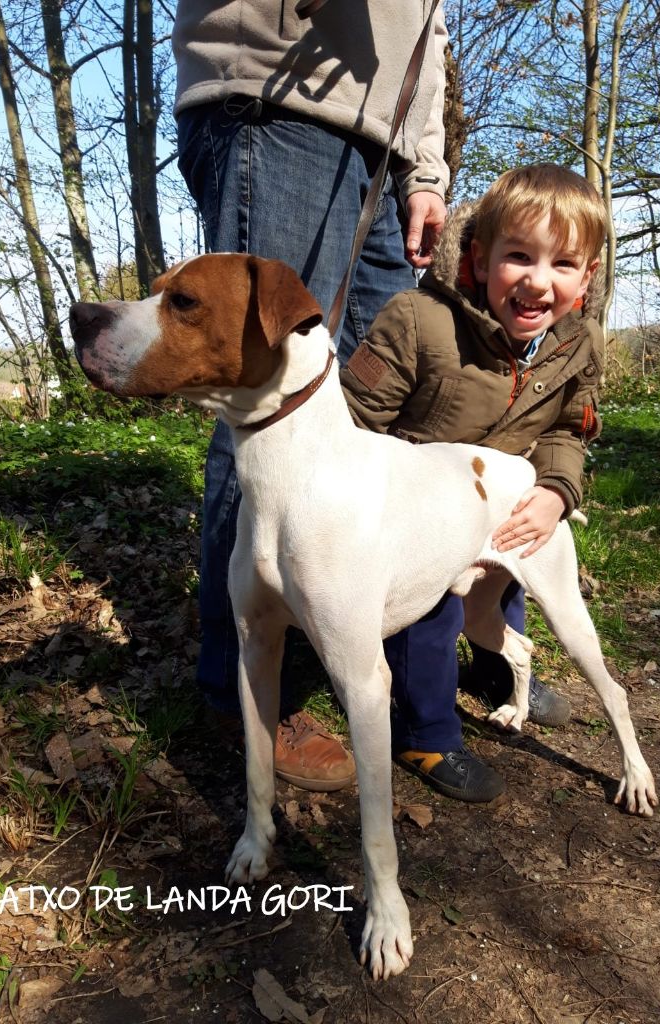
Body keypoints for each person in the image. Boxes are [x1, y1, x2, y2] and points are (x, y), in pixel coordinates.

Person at [172, 1, 450, 790]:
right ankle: (254, 694)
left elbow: (426, 32)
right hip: (281, 103)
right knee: (265, 409)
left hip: (384, 152)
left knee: (394, 406)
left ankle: (405, 676)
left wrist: (423, 168)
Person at [341, 163, 607, 802]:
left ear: (586, 278)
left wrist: (557, 492)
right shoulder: (417, 320)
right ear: (480, 259)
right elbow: (351, 422)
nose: (538, 282)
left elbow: (572, 429)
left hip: (500, 500)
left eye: (563, 264)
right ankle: (425, 730)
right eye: (519, 257)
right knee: (428, 615)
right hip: (416, 512)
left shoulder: (578, 343)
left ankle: (493, 670)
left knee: (509, 579)